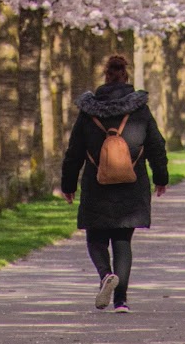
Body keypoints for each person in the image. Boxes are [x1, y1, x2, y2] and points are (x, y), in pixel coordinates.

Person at [61, 53, 169, 311]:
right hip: (132, 184)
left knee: (96, 238)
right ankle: (121, 300)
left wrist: (68, 184)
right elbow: (156, 144)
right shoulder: (139, 110)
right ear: (126, 77)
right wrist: (161, 177)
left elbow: (74, 150)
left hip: (96, 183)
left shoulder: (89, 112)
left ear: (105, 77)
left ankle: (105, 275)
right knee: (123, 242)